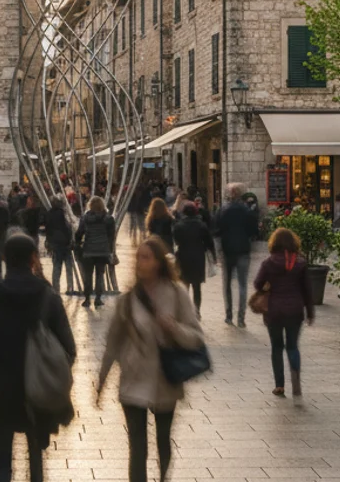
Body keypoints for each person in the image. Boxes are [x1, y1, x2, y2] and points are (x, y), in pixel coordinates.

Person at [0, 234, 75, 482]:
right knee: (36, 461)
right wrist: (54, 375)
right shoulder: (49, 298)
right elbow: (70, 348)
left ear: (4, 259)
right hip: (38, 392)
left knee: (2, 464)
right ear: (34, 258)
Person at [97, 236, 205, 482]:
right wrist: (102, 379)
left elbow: (196, 337)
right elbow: (113, 341)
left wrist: (173, 327)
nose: (139, 262)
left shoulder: (177, 294)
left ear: (158, 262)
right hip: (132, 380)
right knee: (137, 446)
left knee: (163, 441)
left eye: (145, 257)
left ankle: (164, 477)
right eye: (138, 257)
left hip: (164, 379)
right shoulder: (127, 300)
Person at [253, 228, 314, 398]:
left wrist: (267, 285)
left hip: (274, 311)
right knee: (293, 346)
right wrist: (310, 312)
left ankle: (279, 385)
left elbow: (258, 283)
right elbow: (307, 290)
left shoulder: (268, 263)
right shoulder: (301, 263)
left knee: (277, 347)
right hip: (295, 310)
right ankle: (296, 382)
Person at [215, 183, 259, 327]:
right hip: (243, 250)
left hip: (228, 251)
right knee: (242, 284)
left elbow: (216, 229)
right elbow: (254, 231)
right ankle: (241, 318)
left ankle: (229, 315)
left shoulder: (223, 210)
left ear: (229, 194)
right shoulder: (247, 211)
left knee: (227, 284)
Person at [172, 202, 214, 318]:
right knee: (197, 287)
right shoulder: (201, 225)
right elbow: (209, 242)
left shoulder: (179, 226)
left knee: (184, 286)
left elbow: (176, 241)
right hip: (198, 258)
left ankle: (185, 311)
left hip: (183, 257)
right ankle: (197, 311)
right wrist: (212, 256)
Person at [74, 196, 116, 308]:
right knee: (99, 275)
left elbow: (79, 233)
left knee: (88, 275)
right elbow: (111, 236)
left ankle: (87, 299)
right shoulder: (109, 219)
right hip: (102, 251)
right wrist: (110, 250)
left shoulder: (85, 218)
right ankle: (98, 298)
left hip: (88, 251)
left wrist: (78, 243)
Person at [43, 195, 76, 295]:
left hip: (55, 244)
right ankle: (70, 288)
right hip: (65, 244)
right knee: (69, 267)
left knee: (56, 267)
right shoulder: (63, 214)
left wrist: (49, 242)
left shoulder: (49, 214)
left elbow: (47, 230)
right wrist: (71, 239)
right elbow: (68, 227)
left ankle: (55, 287)